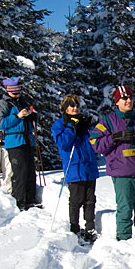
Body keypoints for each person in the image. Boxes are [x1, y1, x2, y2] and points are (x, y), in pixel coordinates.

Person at [90, 85, 135, 241]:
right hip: (122, 173)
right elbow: (94, 142)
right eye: (124, 98)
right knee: (125, 210)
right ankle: (124, 241)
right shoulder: (108, 121)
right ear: (117, 102)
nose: (128, 101)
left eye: (130, 97)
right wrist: (114, 137)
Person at [52, 94, 99, 243]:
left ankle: (90, 226)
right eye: (71, 105)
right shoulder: (60, 124)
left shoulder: (82, 121)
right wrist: (71, 127)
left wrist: (90, 128)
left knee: (90, 199)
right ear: (65, 108)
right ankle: (74, 227)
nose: (75, 108)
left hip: (89, 165)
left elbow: (94, 142)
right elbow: (63, 144)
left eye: (77, 105)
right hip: (74, 166)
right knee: (77, 199)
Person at [0, 77, 40, 211]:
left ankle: (31, 199)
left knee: (30, 170)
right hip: (14, 141)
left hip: (27, 139)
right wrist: (17, 116)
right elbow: (0, 123)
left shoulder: (23, 101)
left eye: (18, 92)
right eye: (14, 93)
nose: (17, 95)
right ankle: (20, 200)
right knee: (19, 171)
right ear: (8, 91)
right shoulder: (2, 104)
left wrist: (32, 116)